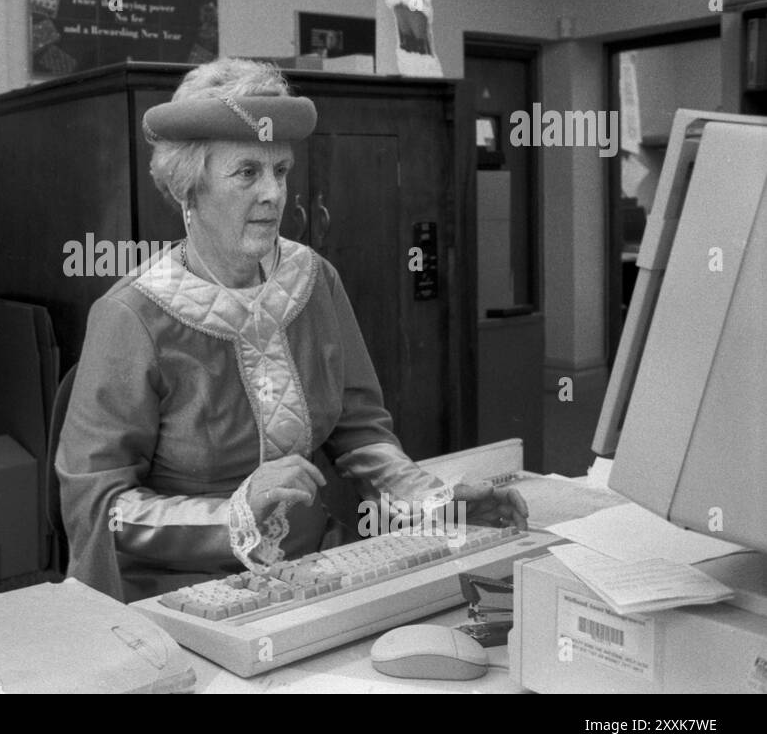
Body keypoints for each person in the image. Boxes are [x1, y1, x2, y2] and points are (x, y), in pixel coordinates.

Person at [56, 57, 527, 602]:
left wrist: (430, 499)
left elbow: (360, 430)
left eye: (280, 171)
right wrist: (232, 516)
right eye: (246, 173)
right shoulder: (130, 316)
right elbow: (99, 506)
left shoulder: (314, 279)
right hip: (183, 594)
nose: (273, 194)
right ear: (189, 187)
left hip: (318, 568)